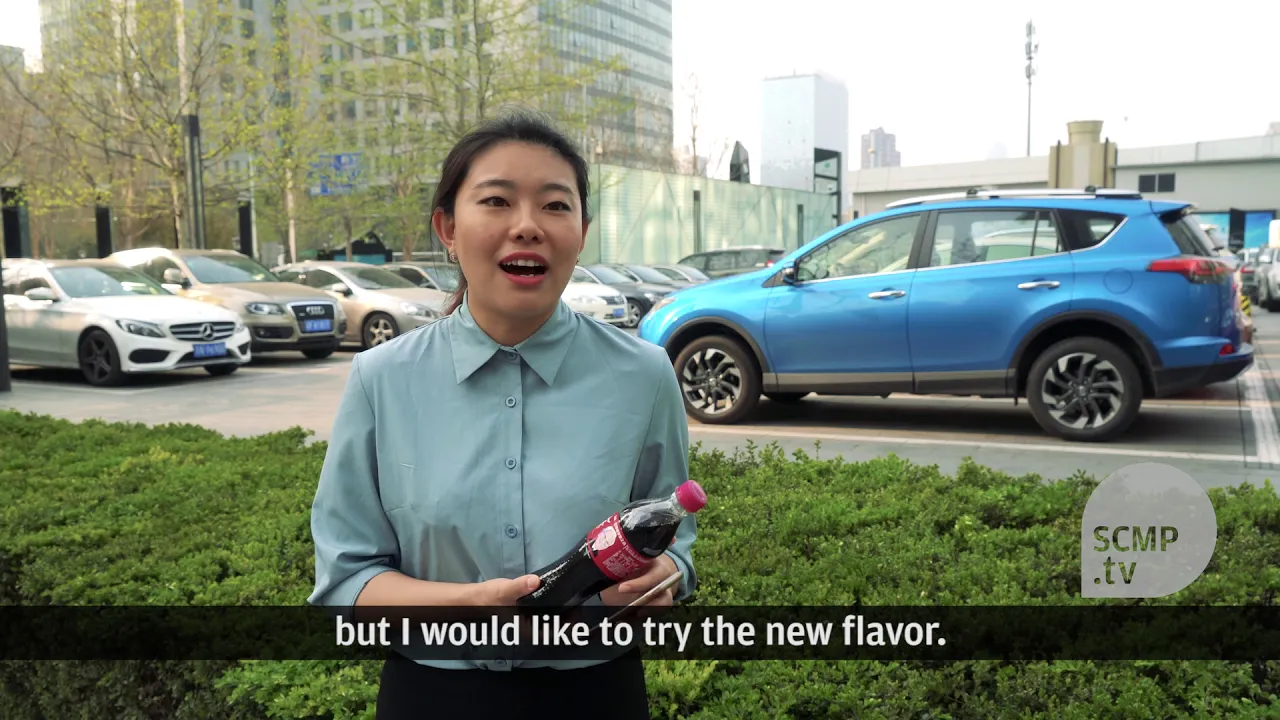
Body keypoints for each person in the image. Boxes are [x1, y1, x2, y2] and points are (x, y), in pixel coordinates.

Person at [307, 109, 698, 720]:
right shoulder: (381, 379)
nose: (527, 226)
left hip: (597, 693)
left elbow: (676, 544)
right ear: (448, 227)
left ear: (582, 232)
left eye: (555, 205)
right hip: (431, 696)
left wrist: (665, 574)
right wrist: (464, 608)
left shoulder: (644, 375)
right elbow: (346, 580)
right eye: (496, 201)